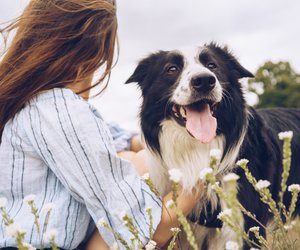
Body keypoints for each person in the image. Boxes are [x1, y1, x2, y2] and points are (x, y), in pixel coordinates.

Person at [0, 0, 203, 249]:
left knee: (132, 157)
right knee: (139, 167)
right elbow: (153, 228)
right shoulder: (61, 111)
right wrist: (203, 171)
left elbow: (108, 138)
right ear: (93, 54)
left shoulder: (28, 102)